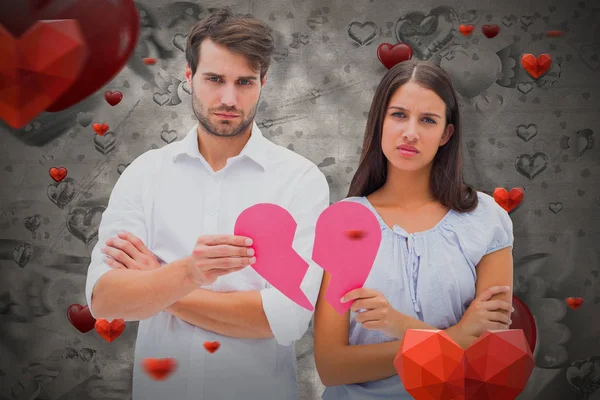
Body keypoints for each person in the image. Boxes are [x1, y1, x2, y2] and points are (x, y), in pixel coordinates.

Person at [84, 8, 330, 400]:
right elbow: (104, 299)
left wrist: (159, 283)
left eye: (244, 82)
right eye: (214, 79)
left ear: (263, 83)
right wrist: (189, 272)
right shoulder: (145, 175)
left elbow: (286, 318)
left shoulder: (299, 182)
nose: (228, 98)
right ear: (189, 77)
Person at [313, 60, 515, 399]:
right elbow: (332, 366)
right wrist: (457, 337)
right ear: (379, 122)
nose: (411, 132)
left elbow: (489, 365)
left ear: (446, 134)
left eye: (428, 120)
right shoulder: (345, 222)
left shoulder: (485, 219)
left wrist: (399, 325)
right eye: (399, 115)